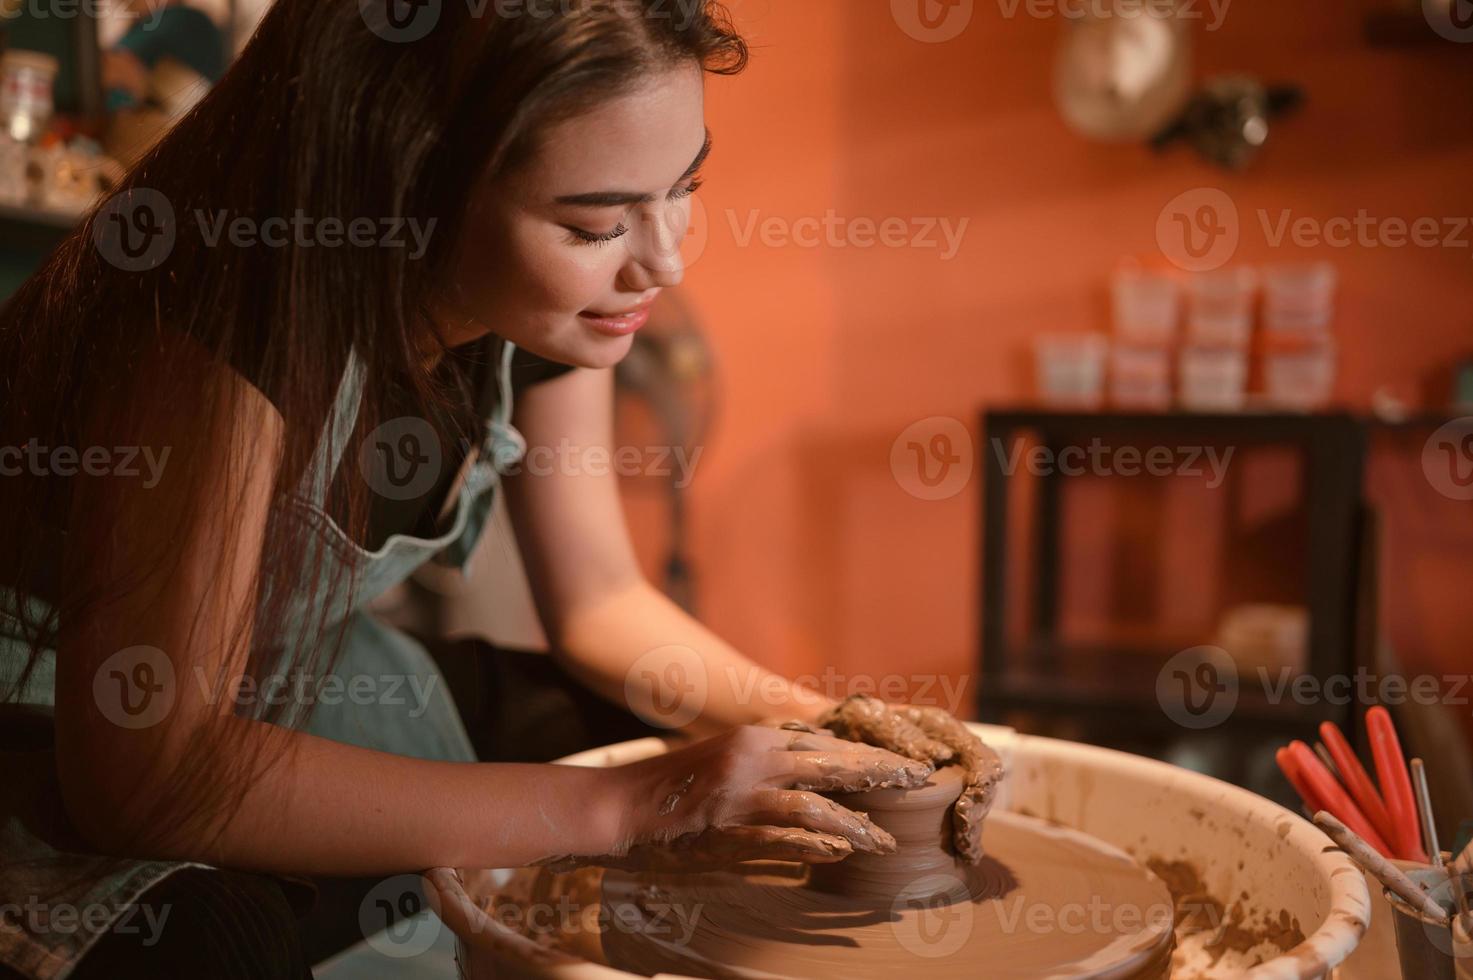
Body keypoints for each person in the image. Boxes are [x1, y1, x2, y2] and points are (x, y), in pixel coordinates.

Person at [0, 2, 997, 976]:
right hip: (61, 724)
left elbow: (601, 599)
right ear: (409, 184)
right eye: (600, 221)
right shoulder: (229, 317)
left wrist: (823, 734)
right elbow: (150, 775)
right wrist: (629, 806)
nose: (664, 258)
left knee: (630, 733)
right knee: (222, 941)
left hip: (280, 666)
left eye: (684, 186)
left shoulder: (548, 306)